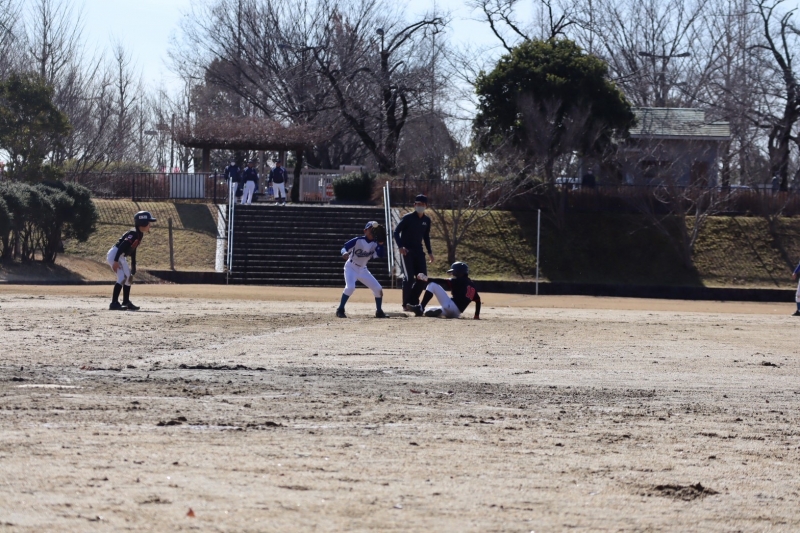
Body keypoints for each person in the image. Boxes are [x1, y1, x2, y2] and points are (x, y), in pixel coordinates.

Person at [336, 221, 388, 319]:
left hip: (363, 269)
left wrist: (381, 244)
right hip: (351, 267)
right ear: (365, 231)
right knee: (350, 287)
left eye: (375, 230)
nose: (373, 231)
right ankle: (340, 309)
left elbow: (381, 255)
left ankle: (379, 311)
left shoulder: (375, 243)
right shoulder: (358, 240)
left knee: (378, 289)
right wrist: (344, 253)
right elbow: (345, 247)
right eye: (371, 229)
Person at [106, 211, 157, 311]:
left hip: (120, 256)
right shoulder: (133, 233)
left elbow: (133, 249)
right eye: (148, 223)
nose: (150, 225)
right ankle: (114, 303)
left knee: (129, 277)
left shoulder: (139, 234)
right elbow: (122, 246)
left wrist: (133, 265)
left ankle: (126, 301)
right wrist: (115, 261)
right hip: (115, 255)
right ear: (142, 223)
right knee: (122, 277)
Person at [393, 194, 434, 310]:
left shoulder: (426, 220)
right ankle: (405, 304)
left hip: (419, 252)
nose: (420, 206)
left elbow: (426, 237)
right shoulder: (408, 218)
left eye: (422, 204)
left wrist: (430, 252)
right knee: (409, 278)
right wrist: (401, 246)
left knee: (423, 278)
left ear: (426, 205)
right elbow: (396, 232)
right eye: (418, 204)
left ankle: (413, 301)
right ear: (414, 205)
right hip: (407, 252)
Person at [409, 262, 481, 319]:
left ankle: (421, 308)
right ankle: (437, 312)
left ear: (458, 272)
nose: (453, 274)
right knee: (428, 310)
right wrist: (476, 316)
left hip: (450, 306)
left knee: (432, 285)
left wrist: (426, 278)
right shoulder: (472, 285)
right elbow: (478, 300)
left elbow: (442, 281)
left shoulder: (459, 280)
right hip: (456, 313)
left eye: (454, 272)